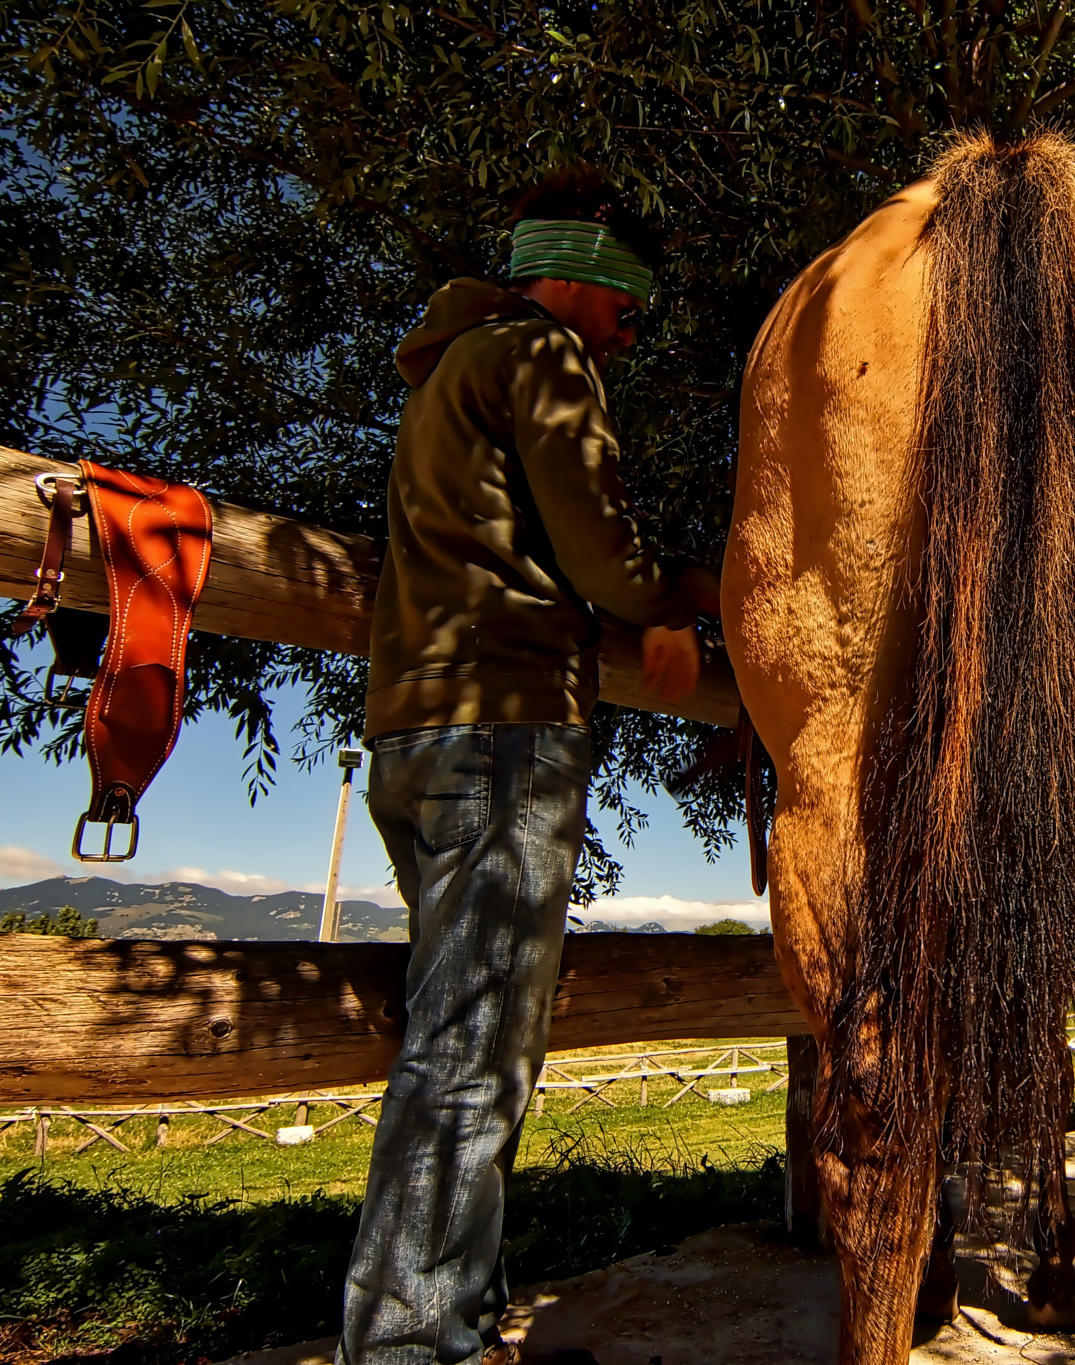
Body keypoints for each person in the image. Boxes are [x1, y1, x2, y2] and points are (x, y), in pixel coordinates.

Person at [340, 170, 716, 1365]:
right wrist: (683, 601)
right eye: (627, 306)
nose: (629, 333)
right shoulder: (542, 356)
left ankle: (450, 1314)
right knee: (472, 1052)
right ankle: (414, 1348)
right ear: (579, 275)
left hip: (412, 731)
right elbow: (601, 555)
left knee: (459, 1031)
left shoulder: (444, 375)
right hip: (502, 729)